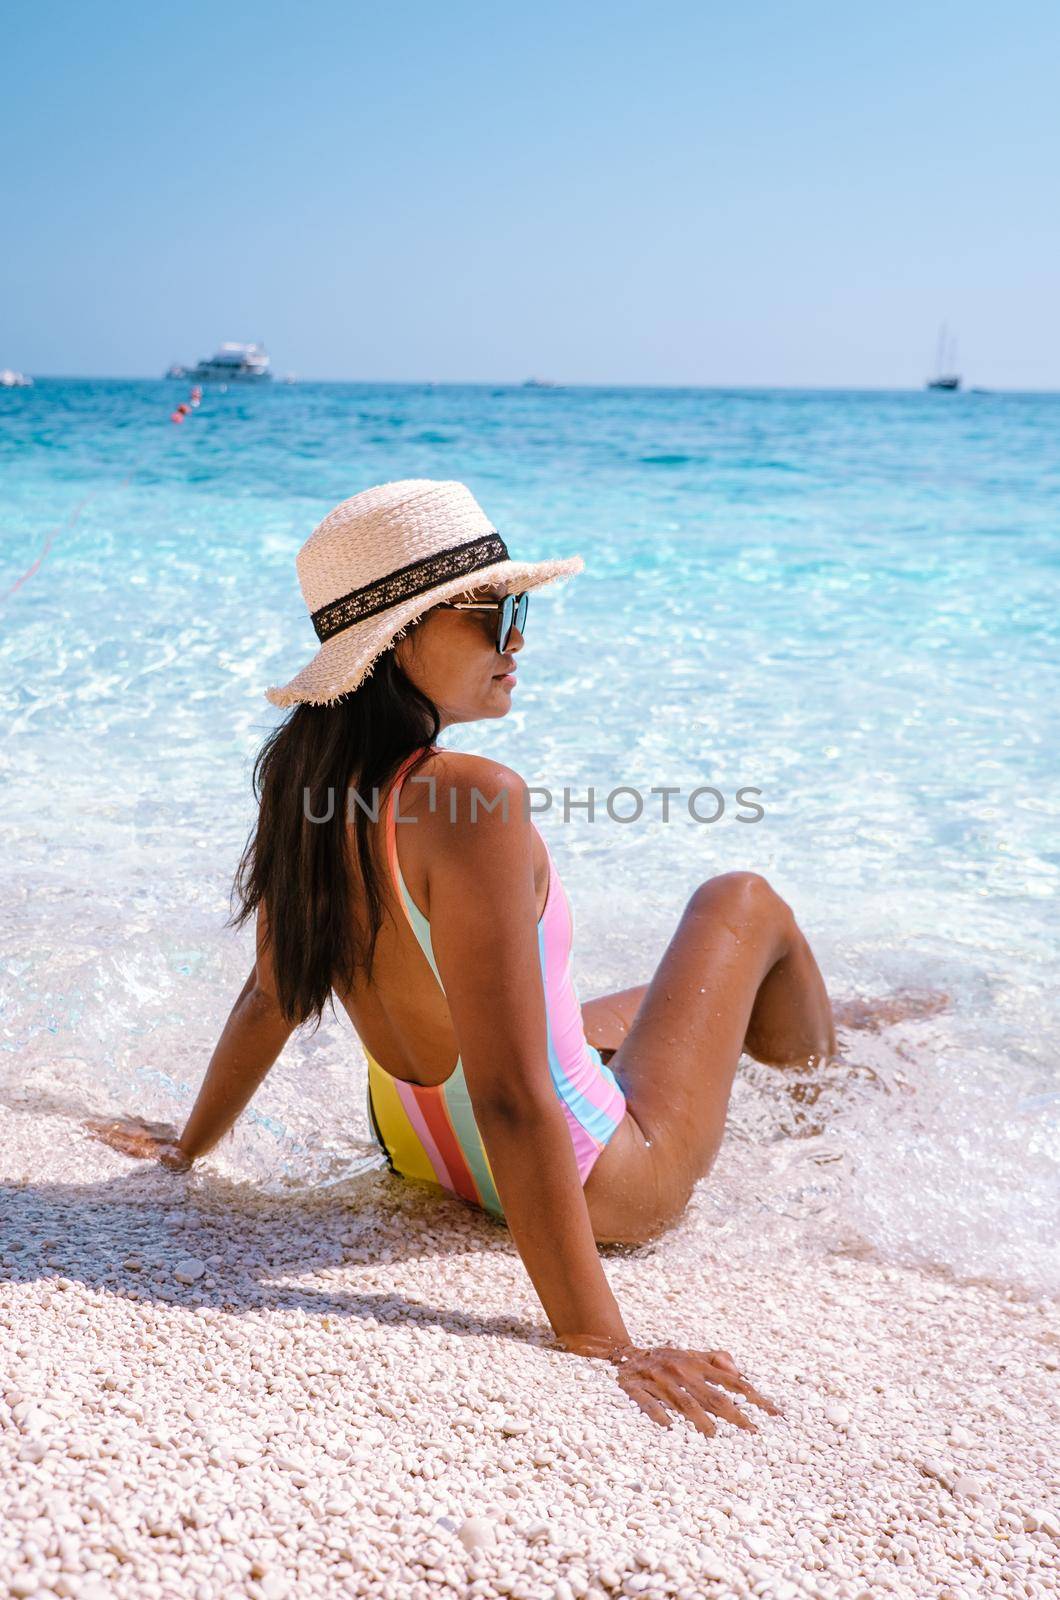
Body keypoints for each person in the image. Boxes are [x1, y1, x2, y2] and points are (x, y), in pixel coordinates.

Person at [86, 479, 945, 1438]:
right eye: (496, 614)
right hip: (601, 1181)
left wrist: (184, 1149)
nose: (518, 641)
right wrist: (603, 1340)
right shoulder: (474, 802)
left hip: (419, 1148)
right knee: (741, 901)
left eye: (518, 611)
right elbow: (508, 1092)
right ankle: (834, 1107)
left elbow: (272, 995)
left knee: (630, 1005)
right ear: (402, 639)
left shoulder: (308, 780)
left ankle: (867, 1027)